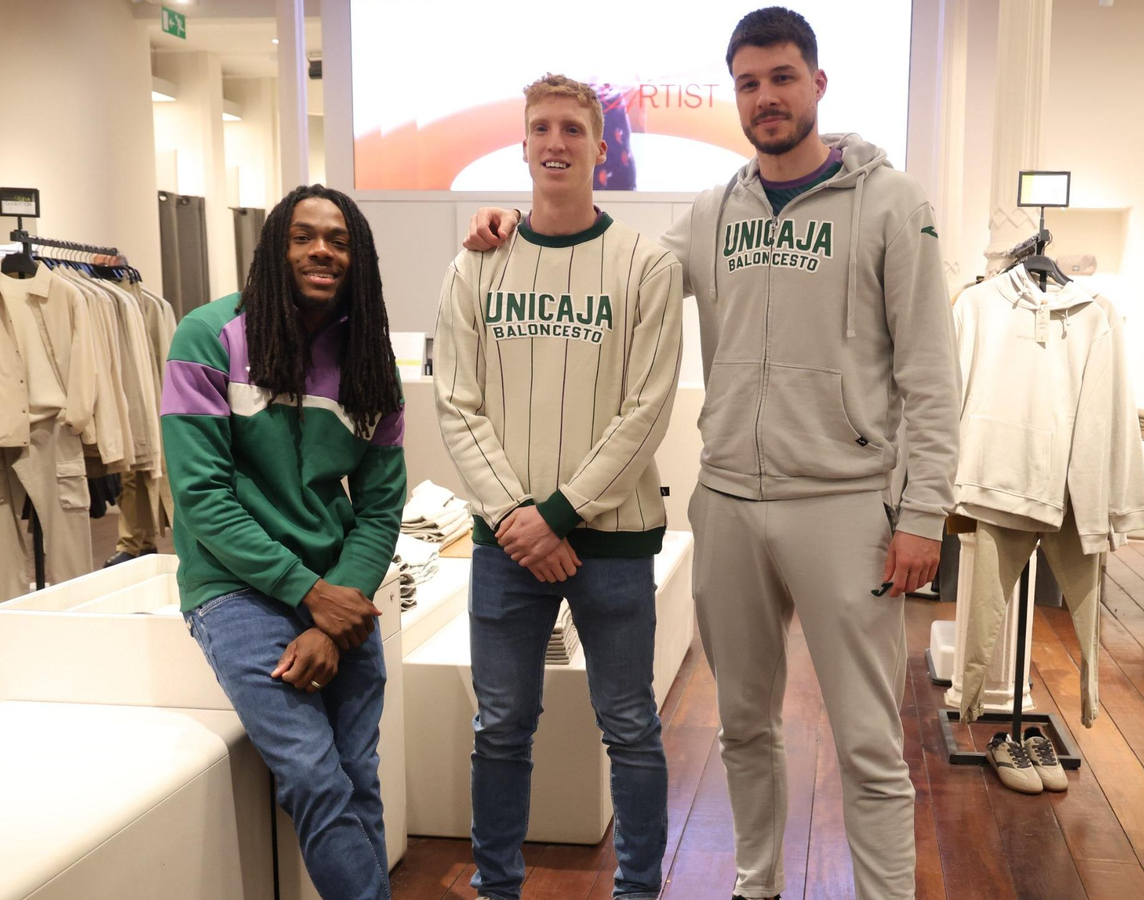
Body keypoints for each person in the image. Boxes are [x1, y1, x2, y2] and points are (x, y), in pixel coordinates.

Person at [464, 9, 959, 899]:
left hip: (844, 504)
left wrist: (923, 513)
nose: (765, 98)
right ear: (735, 95)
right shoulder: (712, 211)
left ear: (818, 84)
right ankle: (755, 883)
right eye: (748, 83)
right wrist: (517, 234)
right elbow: (612, 266)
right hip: (727, 501)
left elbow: (930, 371)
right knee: (742, 726)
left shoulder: (893, 203)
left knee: (867, 739)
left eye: (781, 77)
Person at [434, 74, 684, 900]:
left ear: (600, 148)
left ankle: (640, 889)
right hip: (508, 547)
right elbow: (456, 403)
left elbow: (647, 412)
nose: (555, 142)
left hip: (609, 544)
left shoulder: (645, 265)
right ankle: (496, 887)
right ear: (524, 142)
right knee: (501, 729)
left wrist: (559, 516)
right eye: (541, 127)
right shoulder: (477, 263)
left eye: (573, 129)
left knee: (631, 728)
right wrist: (516, 518)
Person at [163, 184, 406, 900]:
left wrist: (336, 606)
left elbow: (381, 506)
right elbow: (202, 496)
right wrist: (309, 594)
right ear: (276, 247)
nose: (322, 250)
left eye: (338, 239)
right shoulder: (208, 337)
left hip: (338, 587)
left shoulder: (368, 359)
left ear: (357, 258)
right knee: (314, 777)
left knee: (358, 775)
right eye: (303, 236)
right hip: (234, 589)